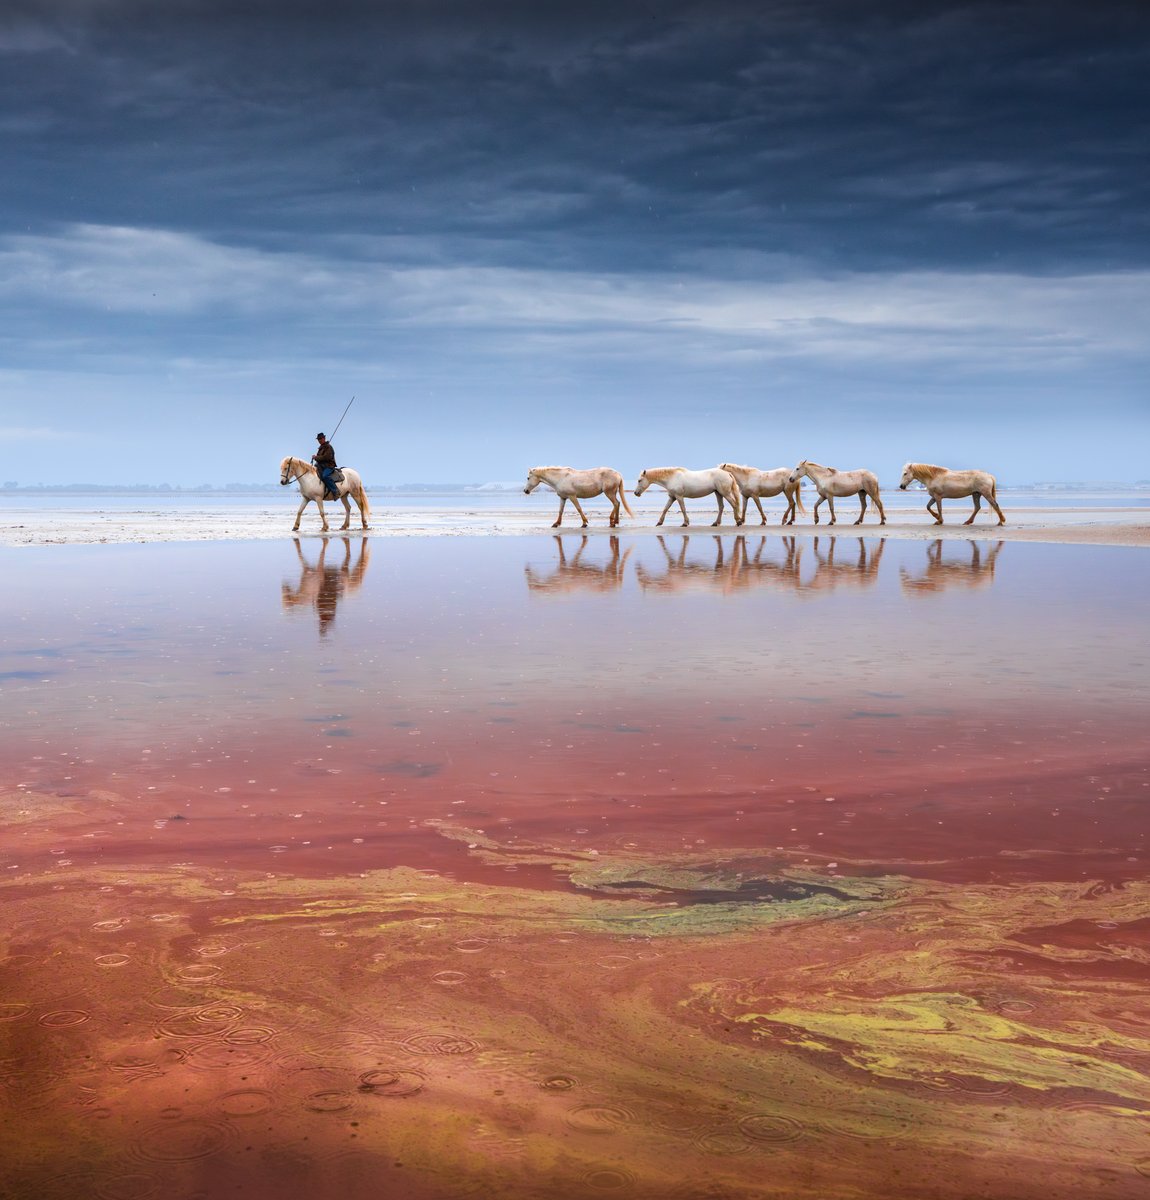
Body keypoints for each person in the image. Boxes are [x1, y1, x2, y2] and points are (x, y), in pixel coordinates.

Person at [312, 433, 339, 500]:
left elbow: (326, 457)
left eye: (321, 439)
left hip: (329, 466)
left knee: (325, 476)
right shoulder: (321, 448)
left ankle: (335, 491)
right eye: (318, 439)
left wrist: (316, 457)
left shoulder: (328, 447)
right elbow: (320, 458)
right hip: (321, 466)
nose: (319, 440)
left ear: (324, 438)